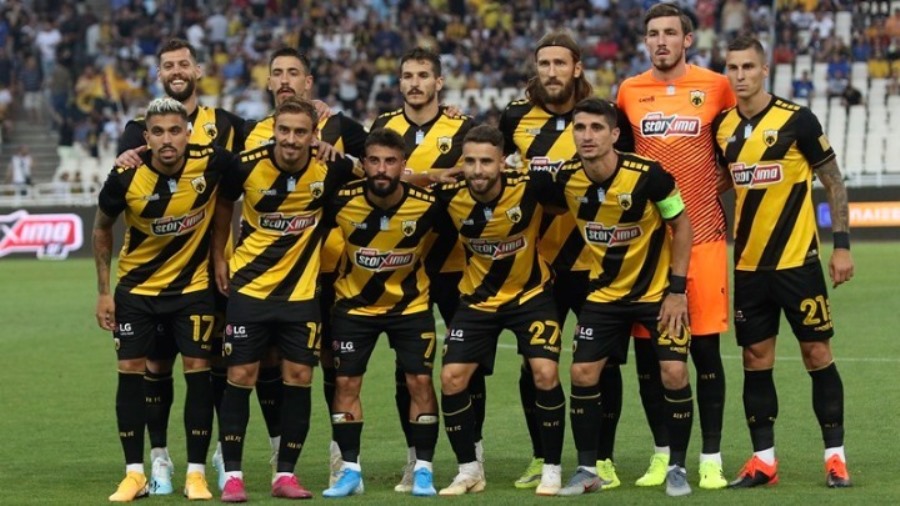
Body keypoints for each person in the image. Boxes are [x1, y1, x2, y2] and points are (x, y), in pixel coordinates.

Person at [713, 35, 853, 490]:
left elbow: (833, 181)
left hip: (799, 264)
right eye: (733, 68)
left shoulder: (798, 120)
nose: (740, 75)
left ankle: (835, 458)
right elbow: (719, 182)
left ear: (764, 69)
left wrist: (842, 245)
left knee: (817, 353)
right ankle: (763, 462)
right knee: (755, 358)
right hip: (749, 267)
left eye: (748, 67)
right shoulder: (722, 127)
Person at [114, 38, 250, 496]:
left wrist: (317, 111)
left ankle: (217, 453)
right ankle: (159, 457)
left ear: (198, 70)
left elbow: (261, 157)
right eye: (168, 65)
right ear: (159, 74)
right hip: (151, 279)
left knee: (213, 362)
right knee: (156, 364)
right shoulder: (138, 129)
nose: (176, 70)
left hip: (210, 272)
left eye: (183, 63)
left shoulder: (228, 125)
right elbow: (123, 184)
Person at [211, 97, 362, 502]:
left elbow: (377, 173)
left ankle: (285, 475)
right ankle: (233, 476)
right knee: (241, 376)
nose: (291, 139)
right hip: (250, 289)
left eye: (300, 132)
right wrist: (219, 256)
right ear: (274, 129)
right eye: (284, 130)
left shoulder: (331, 166)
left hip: (301, 294)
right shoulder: (246, 165)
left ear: (314, 135)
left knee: (299, 378)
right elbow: (223, 205)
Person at [94, 97, 238, 502]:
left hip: (192, 291)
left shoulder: (213, 161)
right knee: (131, 372)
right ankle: (134, 474)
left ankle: (196, 474)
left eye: (175, 130)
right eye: (158, 132)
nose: (167, 139)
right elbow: (102, 228)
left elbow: (244, 183)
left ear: (187, 133)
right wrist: (103, 292)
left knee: (198, 371)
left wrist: (218, 252)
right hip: (137, 292)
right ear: (146, 137)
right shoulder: (126, 176)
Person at [616, 2, 735, 489]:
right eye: (653, 33)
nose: (661, 41)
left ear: (687, 40)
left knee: (704, 353)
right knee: (650, 359)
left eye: (669, 33)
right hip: (648, 248)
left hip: (704, 239)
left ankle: (711, 456)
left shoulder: (717, 87)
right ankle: (663, 454)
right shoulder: (629, 91)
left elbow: (736, 147)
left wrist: (717, 184)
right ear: (645, 41)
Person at [551, 97, 695, 498]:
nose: (587, 136)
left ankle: (678, 467)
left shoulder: (650, 175)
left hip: (656, 294)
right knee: (582, 373)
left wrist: (677, 291)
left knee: (674, 373)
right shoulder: (565, 178)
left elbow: (682, 226)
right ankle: (587, 469)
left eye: (597, 128)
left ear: (614, 134)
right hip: (604, 296)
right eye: (580, 128)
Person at [497, 31, 622, 490]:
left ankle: (603, 460)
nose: (551, 72)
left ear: (577, 68)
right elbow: (492, 165)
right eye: (544, 63)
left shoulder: (599, 116)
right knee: (535, 364)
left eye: (560, 63)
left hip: (597, 265)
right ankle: (540, 456)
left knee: (604, 365)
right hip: (539, 267)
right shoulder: (515, 116)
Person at [242, 45, 369, 488]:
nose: (284, 80)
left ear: (308, 82)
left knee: (335, 362)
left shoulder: (340, 126)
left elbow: (376, 169)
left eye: (293, 72)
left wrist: (341, 157)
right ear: (268, 81)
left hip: (333, 266)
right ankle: (280, 451)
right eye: (277, 72)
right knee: (270, 361)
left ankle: (343, 457)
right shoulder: (251, 133)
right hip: (272, 272)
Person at [433, 125, 566, 497]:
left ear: (502, 162)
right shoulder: (448, 195)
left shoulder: (530, 186)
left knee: (545, 373)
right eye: (470, 161)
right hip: (476, 301)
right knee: (452, 378)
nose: (478, 170)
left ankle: (552, 469)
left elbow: (570, 195)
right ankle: (469, 471)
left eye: (486, 162)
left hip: (530, 296)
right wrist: (430, 175)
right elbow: (397, 187)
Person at [370, 46, 475, 493]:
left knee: (465, 365)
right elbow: (372, 179)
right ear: (399, 82)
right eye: (408, 75)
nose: (415, 83)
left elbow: (476, 176)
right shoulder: (382, 127)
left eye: (423, 75)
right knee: (407, 368)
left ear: (439, 82)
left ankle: (473, 458)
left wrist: (422, 175)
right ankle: (415, 458)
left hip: (455, 265)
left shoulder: (463, 127)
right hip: (405, 266)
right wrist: (433, 175)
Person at [322, 129, 442, 498]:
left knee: (419, 382)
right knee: (346, 383)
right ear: (364, 164)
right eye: (374, 160)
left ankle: (423, 470)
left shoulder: (427, 204)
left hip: (411, 307)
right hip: (353, 306)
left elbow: (450, 240)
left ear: (403, 165)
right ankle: (350, 470)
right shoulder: (341, 200)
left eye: (390, 161)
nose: (381, 168)